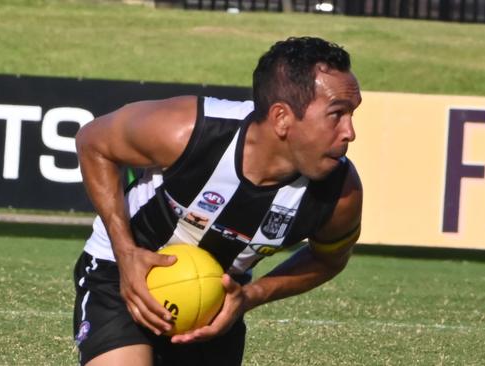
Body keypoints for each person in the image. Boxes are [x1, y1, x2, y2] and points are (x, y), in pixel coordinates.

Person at [73, 36, 363, 366]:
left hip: (215, 308)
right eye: (337, 114)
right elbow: (92, 141)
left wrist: (249, 297)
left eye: (352, 114)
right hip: (119, 275)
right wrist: (126, 254)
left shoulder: (341, 194)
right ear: (282, 117)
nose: (350, 132)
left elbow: (329, 258)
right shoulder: (189, 130)